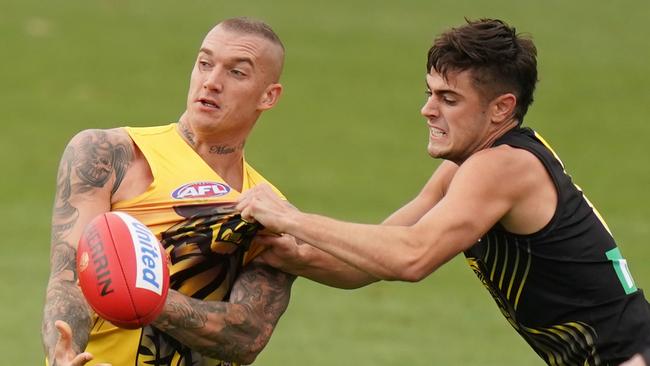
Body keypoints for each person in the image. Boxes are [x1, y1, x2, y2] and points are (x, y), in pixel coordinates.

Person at [236, 18, 650, 364]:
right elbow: (367, 263)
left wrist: (290, 218)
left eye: (448, 98)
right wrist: (282, 251)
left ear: (502, 108)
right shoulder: (464, 169)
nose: (428, 109)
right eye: (429, 92)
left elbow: (411, 257)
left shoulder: (503, 167)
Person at [41, 17, 295, 366]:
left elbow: (248, 334)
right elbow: (69, 278)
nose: (212, 82)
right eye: (205, 64)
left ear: (268, 96)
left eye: (236, 73)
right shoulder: (112, 154)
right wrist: (62, 351)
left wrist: (146, 298)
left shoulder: (271, 211)